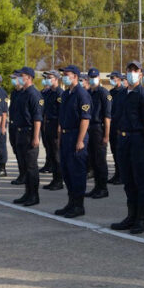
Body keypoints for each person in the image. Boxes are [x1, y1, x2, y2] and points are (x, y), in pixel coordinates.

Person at [111, 61, 144, 234]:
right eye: (129, 70)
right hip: (123, 140)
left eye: (135, 70)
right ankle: (131, 216)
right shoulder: (121, 94)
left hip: (138, 140)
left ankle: (141, 219)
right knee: (128, 181)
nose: (131, 73)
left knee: (140, 181)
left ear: (140, 73)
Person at [54, 65, 91, 218]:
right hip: (66, 136)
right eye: (63, 74)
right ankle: (71, 202)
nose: (64, 76)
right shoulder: (66, 94)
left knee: (77, 172)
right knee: (67, 171)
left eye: (67, 74)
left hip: (76, 135)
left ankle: (78, 205)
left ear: (75, 76)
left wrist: (80, 140)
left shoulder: (81, 94)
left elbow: (85, 119)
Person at [9, 68, 44, 206]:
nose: (19, 78)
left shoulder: (34, 94)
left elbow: (37, 118)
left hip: (29, 133)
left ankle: (34, 195)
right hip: (20, 132)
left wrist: (36, 137)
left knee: (31, 167)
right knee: (24, 166)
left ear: (29, 77)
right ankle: (27, 193)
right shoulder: (22, 93)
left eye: (21, 76)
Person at [85, 68, 112, 198]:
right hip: (89, 128)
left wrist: (106, 135)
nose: (92, 79)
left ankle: (103, 188)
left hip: (99, 128)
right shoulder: (88, 93)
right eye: (90, 77)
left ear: (99, 78)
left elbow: (107, 116)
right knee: (92, 160)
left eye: (94, 77)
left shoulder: (104, 93)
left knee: (100, 160)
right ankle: (96, 187)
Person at [107, 71, 127, 185]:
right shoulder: (111, 92)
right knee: (114, 150)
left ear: (119, 79)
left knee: (120, 152)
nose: (112, 80)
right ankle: (117, 173)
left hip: (120, 125)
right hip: (112, 124)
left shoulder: (123, 92)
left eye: (113, 78)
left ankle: (122, 175)